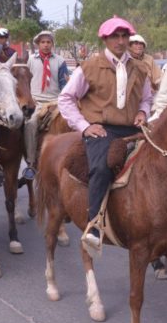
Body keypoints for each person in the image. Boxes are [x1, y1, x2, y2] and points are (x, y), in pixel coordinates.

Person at [57, 17, 152, 257]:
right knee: (101, 168)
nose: (121, 41)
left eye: (124, 36)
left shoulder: (141, 69)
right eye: (115, 37)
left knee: (164, 159)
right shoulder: (89, 67)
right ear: (105, 39)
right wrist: (84, 126)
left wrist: (142, 112)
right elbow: (65, 98)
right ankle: (94, 224)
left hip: (132, 128)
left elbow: (146, 99)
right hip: (101, 129)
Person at [22, 30, 70, 180]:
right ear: (38, 44)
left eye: (48, 42)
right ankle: (30, 163)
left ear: (52, 44)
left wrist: (61, 101)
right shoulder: (30, 61)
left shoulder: (60, 61)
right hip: (35, 100)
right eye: (43, 42)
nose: (46, 45)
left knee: (69, 122)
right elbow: (24, 83)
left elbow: (64, 85)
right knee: (30, 124)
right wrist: (29, 99)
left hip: (55, 101)